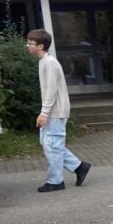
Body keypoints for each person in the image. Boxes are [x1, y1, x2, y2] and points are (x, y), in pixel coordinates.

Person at [26, 29, 90, 192]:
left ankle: (55, 181)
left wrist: (44, 113)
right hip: (53, 111)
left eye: (30, 43)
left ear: (40, 46)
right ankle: (78, 166)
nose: (27, 45)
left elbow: (51, 90)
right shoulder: (43, 62)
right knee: (48, 144)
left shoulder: (50, 63)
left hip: (56, 112)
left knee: (52, 146)